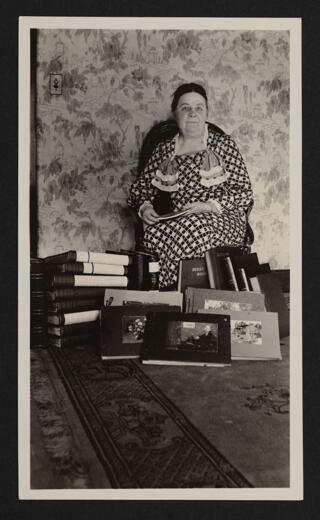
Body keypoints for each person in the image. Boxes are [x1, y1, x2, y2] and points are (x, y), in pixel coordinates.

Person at [128, 83, 253, 289]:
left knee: (197, 227)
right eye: (185, 108)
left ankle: (196, 296)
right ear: (175, 114)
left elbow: (244, 192)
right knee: (154, 232)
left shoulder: (223, 144)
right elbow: (139, 190)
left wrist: (208, 205)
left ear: (206, 113)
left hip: (222, 217)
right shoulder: (164, 149)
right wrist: (145, 207)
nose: (192, 114)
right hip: (179, 218)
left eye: (198, 108)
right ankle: (171, 297)